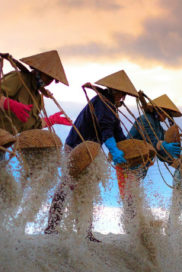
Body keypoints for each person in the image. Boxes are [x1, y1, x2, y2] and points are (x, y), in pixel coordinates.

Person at [44, 70, 138, 242]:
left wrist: (127, 151)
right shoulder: (103, 104)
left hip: (91, 151)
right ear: (114, 91)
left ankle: (85, 231)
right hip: (75, 146)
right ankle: (52, 226)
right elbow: (106, 131)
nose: (123, 98)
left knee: (88, 190)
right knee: (67, 184)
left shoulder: (110, 107)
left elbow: (118, 134)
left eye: (124, 95)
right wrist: (113, 149)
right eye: (122, 94)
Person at [0, 50, 72, 137]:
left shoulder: (38, 98)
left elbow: (31, 126)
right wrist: (11, 104)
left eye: (52, 79)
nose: (49, 81)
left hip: (1, 137)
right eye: (48, 77)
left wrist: (51, 120)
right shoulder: (19, 78)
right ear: (38, 70)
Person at [117, 94, 182, 218]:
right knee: (130, 200)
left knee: (133, 199)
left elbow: (162, 152)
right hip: (127, 162)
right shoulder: (145, 120)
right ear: (158, 110)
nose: (166, 117)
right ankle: (133, 231)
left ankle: (135, 230)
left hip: (139, 167)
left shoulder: (158, 127)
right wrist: (164, 146)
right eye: (166, 113)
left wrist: (174, 162)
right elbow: (153, 141)